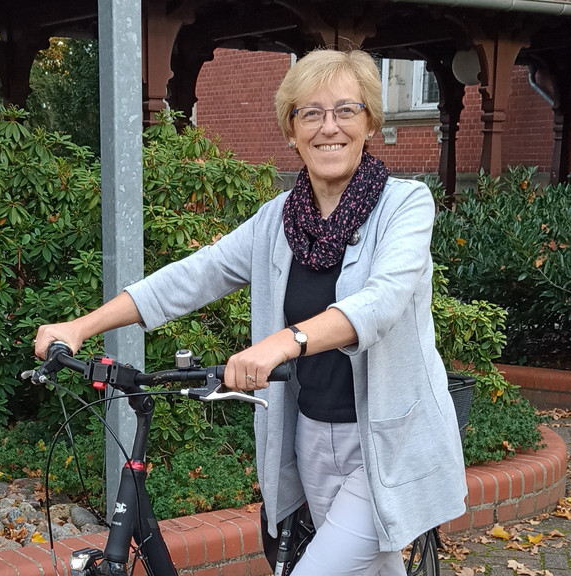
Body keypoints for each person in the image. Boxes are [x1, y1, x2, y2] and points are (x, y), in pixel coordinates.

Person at [35, 48, 467, 575]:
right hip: (311, 433)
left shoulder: (404, 206)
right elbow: (193, 276)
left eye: (345, 110)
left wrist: (282, 342)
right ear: (291, 131)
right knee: (368, 569)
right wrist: (80, 326)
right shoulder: (277, 222)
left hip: (388, 439)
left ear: (370, 122)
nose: (328, 127)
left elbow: (381, 303)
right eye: (310, 113)